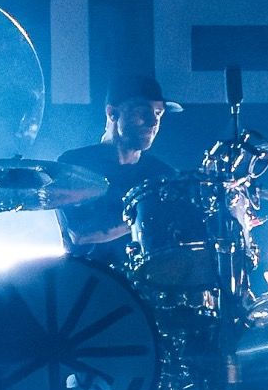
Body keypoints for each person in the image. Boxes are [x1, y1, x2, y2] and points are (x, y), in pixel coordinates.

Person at [58, 72, 182, 264]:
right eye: (143, 112)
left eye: (158, 113)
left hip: (147, 280)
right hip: (89, 278)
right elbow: (79, 234)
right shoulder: (75, 164)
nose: (153, 122)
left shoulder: (164, 175)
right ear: (112, 113)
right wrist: (147, 215)